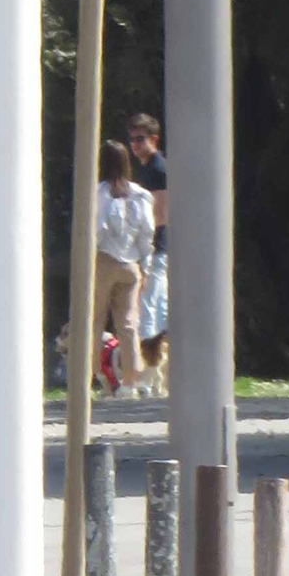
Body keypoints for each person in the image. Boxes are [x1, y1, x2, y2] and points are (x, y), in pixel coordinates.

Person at [92, 141, 152, 396]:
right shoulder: (140, 194)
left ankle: (96, 374)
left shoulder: (99, 193)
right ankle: (131, 380)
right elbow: (147, 233)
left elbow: (96, 230)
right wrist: (145, 266)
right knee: (128, 324)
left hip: (103, 261)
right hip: (131, 264)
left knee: (94, 320)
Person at [127, 111, 168, 381]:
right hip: (155, 246)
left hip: (156, 246)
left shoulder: (157, 168)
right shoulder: (148, 168)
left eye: (141, 139)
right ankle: (159, 371)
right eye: (132, 140)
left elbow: (161, 212)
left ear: (154, 138)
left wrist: (143, 242)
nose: (135, 145)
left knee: (150, 307)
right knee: (157, 306)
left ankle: (149, 372)